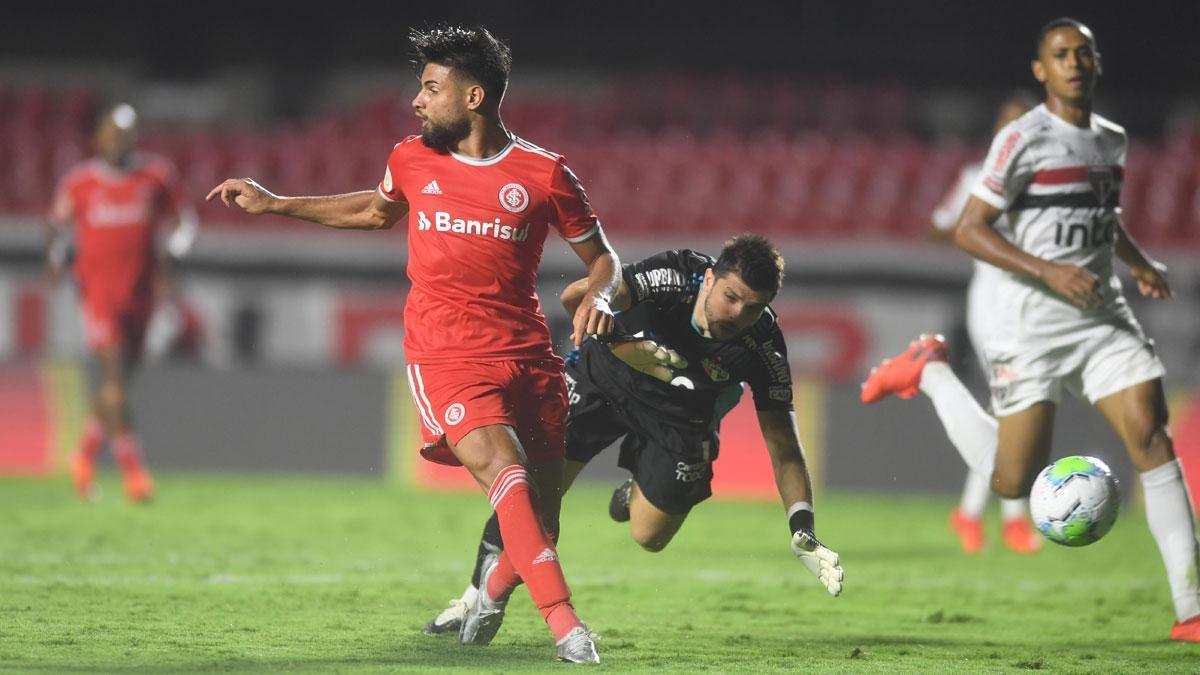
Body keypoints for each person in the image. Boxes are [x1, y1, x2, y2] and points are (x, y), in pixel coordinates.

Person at [207, 25, 618, 663]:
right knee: (504, 478)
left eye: (431, 88)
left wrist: (601, 291)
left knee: (543, 515)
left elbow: (604, 261)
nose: (416, 101)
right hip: (446, 353)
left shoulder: (544, 175)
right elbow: (374, 212)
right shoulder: (412, 158)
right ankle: (569, 629)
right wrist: (274, 203)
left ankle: (487, 594)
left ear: (475, 96)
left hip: (527, 354)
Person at [861, 18, 1200, 641]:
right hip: (1030, 325)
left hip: (1101, 317)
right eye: (1059, 54)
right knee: (1014, 480)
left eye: (1083, 53)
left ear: (1096, 64)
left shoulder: (1111, 140)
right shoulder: (1020, 140)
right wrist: (1050, 270)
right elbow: (967, 229)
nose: (1073, 62)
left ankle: (1191, 611)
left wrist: (1137, 262)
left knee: (1152, 436)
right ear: (1042, 70)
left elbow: (1101, 216)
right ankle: (930, 370)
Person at [423, 235, 843, 640]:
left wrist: (801, 528)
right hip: (602, 380)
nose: (737, 314)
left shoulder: (763, 344)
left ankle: (635, 491)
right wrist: (620, 338)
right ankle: (471, 600)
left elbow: (783, 444)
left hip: (682, 419)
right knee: (530, 491)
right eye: (731, 297)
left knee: (650, 537)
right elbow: (577, 298)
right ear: (711, 278)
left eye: (753, 308)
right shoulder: (672, 276)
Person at [892, 92, 1043, 555]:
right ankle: (1012, 519)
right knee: (1010, 403)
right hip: (992, 302)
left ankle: (971, 512)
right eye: (1007, 122)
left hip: (1035, 305)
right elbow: (939, 229)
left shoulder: (1046, 183)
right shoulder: (977, 178)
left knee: (1013, 407)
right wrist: (970, 222)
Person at [47, 103, 198, 504]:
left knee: (121, 385)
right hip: (98, 296)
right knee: (115, 382)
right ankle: (136, 476)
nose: (118, 142)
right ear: (98, 137)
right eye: (111, 134)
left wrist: (176, 249)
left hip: (141, 296)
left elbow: (185, 220)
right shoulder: (79, 184)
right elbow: (56, 229)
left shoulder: (155, 177)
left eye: (125, 135)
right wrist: (56, 260)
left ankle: (82, 457)